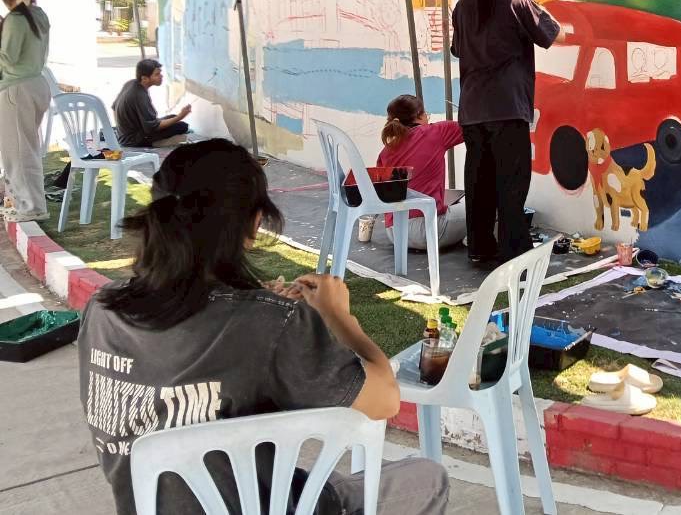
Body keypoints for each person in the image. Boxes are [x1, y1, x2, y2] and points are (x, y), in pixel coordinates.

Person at [78, 139, 448, 515]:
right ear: (254, 223)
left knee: (320, 479)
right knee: (427, 478)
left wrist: (258, 303)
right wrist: (340, 317)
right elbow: (384, 400)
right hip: (262, 506)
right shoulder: (268, 323)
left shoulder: (102, 309)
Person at [451, 0, 564, 265]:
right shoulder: (519, 3)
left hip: (473, 110)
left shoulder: (463, 6)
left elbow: (457, 49)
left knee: (479, 183)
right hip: (507, 107)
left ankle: (480, 248)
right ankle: (514, 254)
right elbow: (555, 35)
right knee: (511, 185)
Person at [375, 94, 467, 249]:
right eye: (426, 114)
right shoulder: (436, 132)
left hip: (395, 233)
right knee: (487, 204)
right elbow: (472, 127)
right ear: (419, 115)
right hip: (431, 230)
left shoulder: (385, 153)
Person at [0, 0, 52, 221]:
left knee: (17, 153)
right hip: (35, 85)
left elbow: (7, 58)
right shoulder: (38, 15)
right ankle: (22, 203)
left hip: (16, 89)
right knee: (26, 150)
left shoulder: (16, 19)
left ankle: (31, 208)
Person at [112, 58, 190, 148]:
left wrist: (121, 129)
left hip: (127, 134)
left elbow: (114, 108)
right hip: (133, 140)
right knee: (182, 126)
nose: (161, 76)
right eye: (157, 74)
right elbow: (153, 127)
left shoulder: (131, 83)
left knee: (173, 117)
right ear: (144, 78)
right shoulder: (139, 95)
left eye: (160, 73)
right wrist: (181, 116)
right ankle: (155, 143)